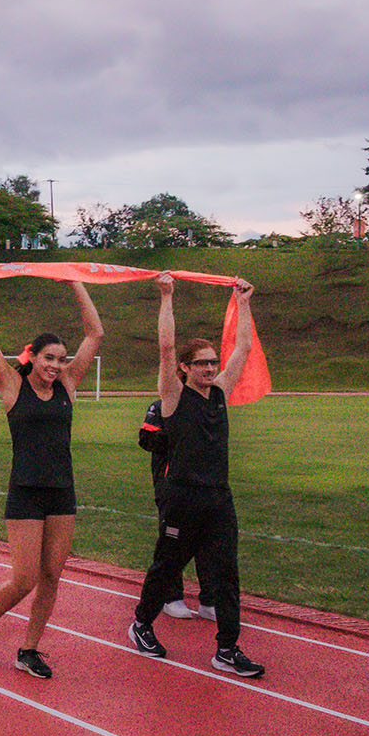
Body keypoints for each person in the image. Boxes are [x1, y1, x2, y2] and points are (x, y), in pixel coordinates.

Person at [128, 273, 266, 678]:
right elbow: (166, 347)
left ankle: (227, 648)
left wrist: (243, 302)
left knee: (226, 572)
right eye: (202, 363)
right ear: (186, 368)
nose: (210, 368)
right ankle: (141, 624)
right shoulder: (173, 395)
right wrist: (167, 297)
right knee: (167, 567)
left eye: (212, 363)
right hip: (182, 497)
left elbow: (241, 347)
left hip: (218, 498)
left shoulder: (221, 393)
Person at [0, 281, 104, 680]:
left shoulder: (69, 386)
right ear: (34, 357)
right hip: (25, 493)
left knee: (51, 577)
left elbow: (95, 333)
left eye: (62, 360)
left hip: (62, 493)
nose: (56, 366)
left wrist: (75, 282)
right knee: (24, 578)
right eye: (49, 358)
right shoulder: (12, 385)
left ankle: (29, 649)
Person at [139, 398, 218, 621]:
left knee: (208, 540)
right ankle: (171, 597)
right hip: (171, 485)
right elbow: (146, 439)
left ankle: (210, 600)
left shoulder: (208, 405)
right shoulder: (161, 406)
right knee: (173, 541)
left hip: (204, 484)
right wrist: (179, 434)